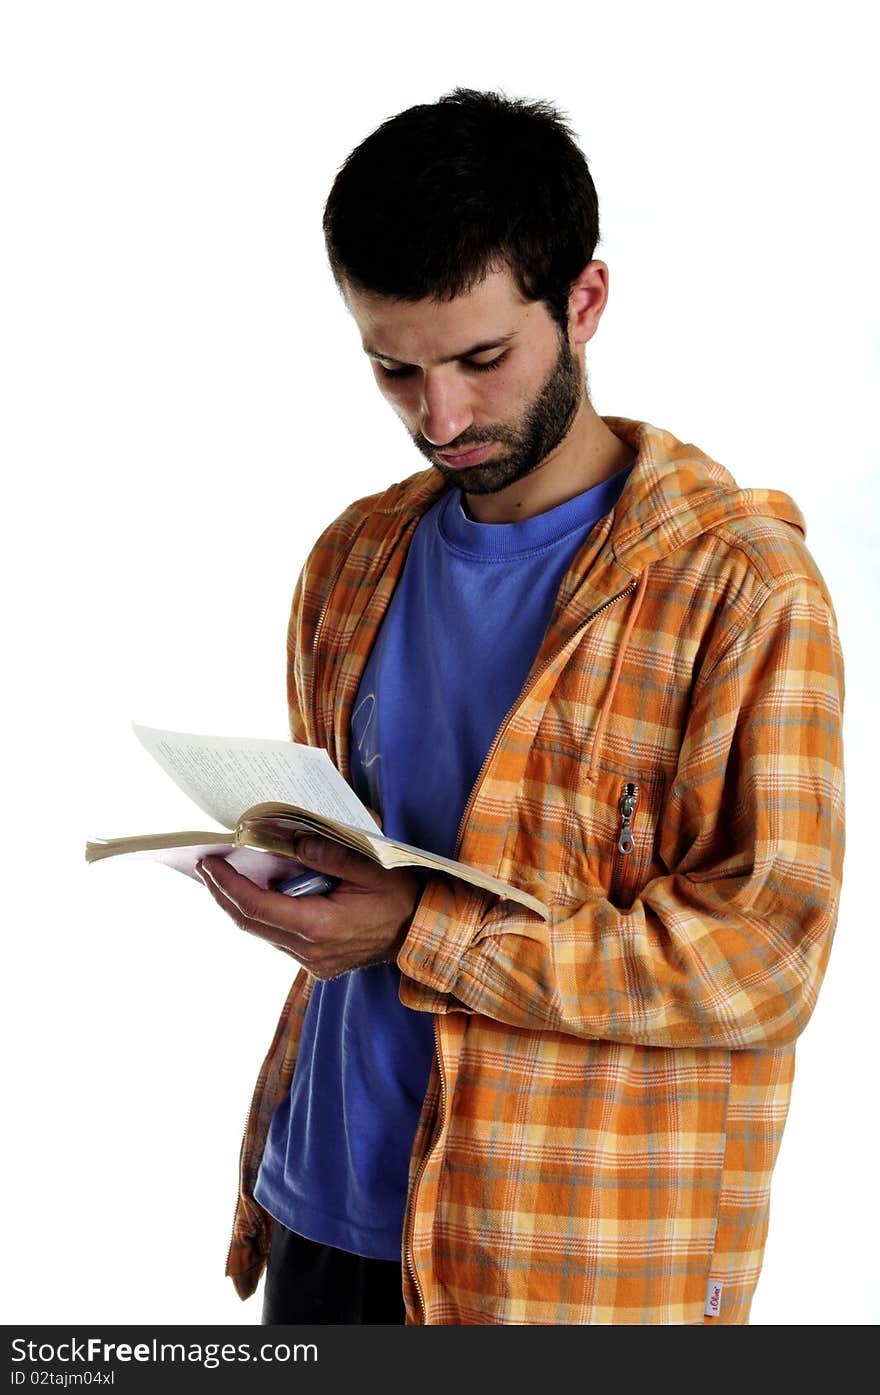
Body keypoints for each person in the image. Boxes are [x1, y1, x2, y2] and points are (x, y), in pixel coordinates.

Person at [197, 88, 846, 1326]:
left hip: (564, 1269)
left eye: (481, 360)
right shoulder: (353, 558)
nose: (440, 419)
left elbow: (765, 961)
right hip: (322, 1213)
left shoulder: (741, 588)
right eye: (394, 367)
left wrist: (416, 934)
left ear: (582, 304)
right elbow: (360, 847)